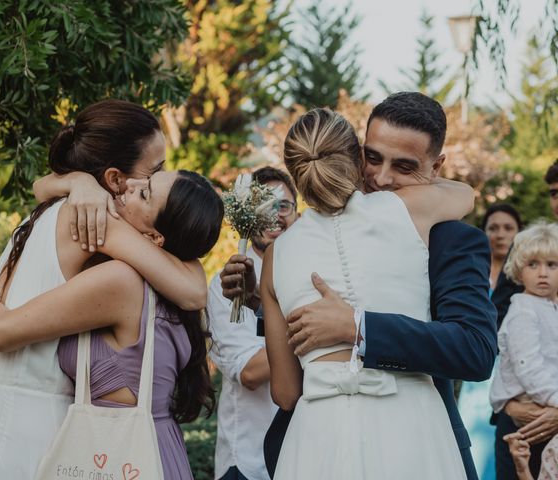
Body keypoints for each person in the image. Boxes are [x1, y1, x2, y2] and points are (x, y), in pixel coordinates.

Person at [0, 99, 216, 479]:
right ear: (114, 179)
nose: (144, 182)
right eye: (154, 170)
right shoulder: (95, 220)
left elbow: (40, 185)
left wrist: (72, 180)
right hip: (41, 438)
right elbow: (190, 289)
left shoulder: (43, 214)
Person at [264, 92, 498, 480]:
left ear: (436, 166)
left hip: (343, 436)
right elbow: (465, 194)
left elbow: (474, 351)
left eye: (404, 166)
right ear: (355, 154)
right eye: (372, 158)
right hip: (389, 432)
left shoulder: (280, 252)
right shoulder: (412, 209)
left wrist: (357, 327)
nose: (383, 178)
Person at [207, 167, 299, 480]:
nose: (274, 215)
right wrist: (318, 335)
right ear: (247, 213)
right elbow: (249, 371)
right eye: (263, 205)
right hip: (249, 461)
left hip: (304, 454)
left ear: (297, 213)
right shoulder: (228, 285)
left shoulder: (308, 275)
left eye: (283, 206)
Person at [457, 204, 523, 479]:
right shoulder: (471, 272)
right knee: (475, 446)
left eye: (508, 228)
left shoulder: (527, 277)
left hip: (512, 370)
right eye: (493, 228)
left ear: (519, 233)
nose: (500, 234)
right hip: (477, 379)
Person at [490, 222, 558, 480]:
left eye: (552, 265)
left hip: (547, 413)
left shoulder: (551, 307)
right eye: (533, 264)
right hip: (521, 427)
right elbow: (528, 368)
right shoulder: (522, 311)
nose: (543, 273)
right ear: (519, 270)